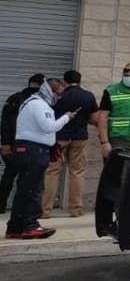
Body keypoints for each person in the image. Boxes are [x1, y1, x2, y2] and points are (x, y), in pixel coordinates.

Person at [6, 79, 75, 240]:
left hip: (29, 149)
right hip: (34, 151)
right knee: (34, 190)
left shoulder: (34, 103)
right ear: (50, 91)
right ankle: (31, 226)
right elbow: (49, 127)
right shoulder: (38, 104)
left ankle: (15, 227)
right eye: (58, 94)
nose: (59, 98)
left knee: (24, 190)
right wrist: (66, 117)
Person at [43, 69, 98, 217]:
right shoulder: (88, 96)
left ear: (65, 81)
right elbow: (94, 119)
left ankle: (46, 210)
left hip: (59, 137)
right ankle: (75, 209)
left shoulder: (59, 96)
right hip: (80, 137)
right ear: (79, 80)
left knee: (53, 172)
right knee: (77, 172)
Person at [0, 74, 44, 214]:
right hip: (32, 147)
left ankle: (2, 205)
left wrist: (5, 143)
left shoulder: (14, 98)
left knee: (9, 175)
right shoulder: (40, 101)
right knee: (31, 180)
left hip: (13, 144)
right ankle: (25, 209)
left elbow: (5, 122)